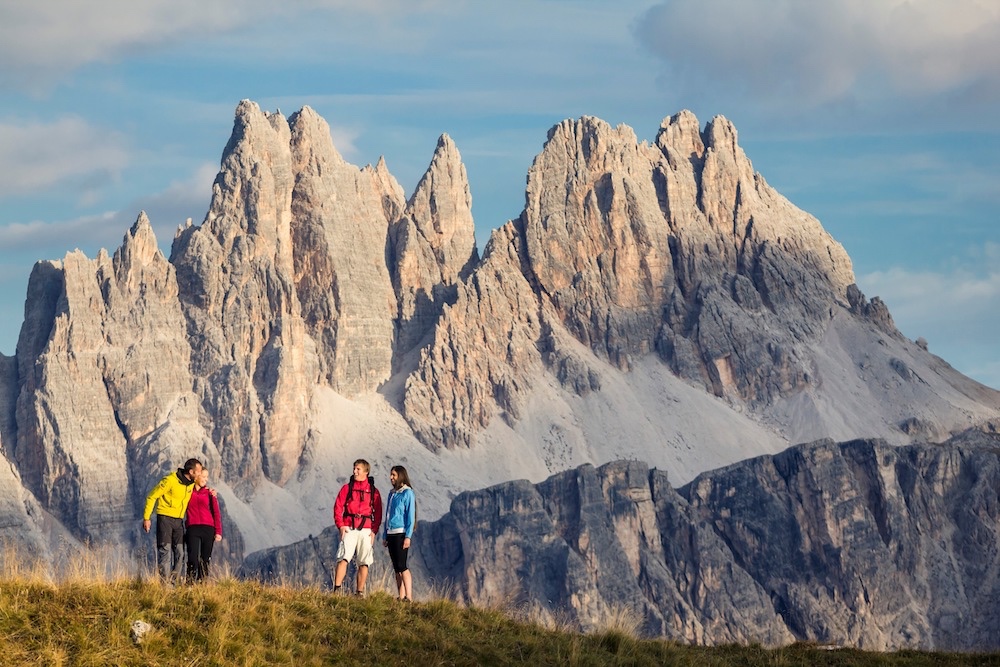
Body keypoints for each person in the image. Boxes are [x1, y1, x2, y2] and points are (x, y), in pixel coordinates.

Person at [143, 458, 202, 582]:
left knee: (180, 553)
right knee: (165, 552)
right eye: (199, 472)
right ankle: (165, 585)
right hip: (165, 518)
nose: (200, 474)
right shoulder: (169, 481)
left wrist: (211, 492)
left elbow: (201, 492)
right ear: (191, 472)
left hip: (179, 521)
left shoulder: (191, 484)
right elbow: (152, 496)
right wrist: (147, 518)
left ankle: (173, 582)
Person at [332, 459, 382, 596]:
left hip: (366, 529)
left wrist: (374, 531)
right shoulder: (347, 488)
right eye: (354, 468)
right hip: (349, 527)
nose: (354, 471)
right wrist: (341, 526)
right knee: (343, 557)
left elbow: (378, 512)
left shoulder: (373, 491)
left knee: (364, 562)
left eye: (358, 469)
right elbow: (338, 507)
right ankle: (336, 589)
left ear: (366, 472)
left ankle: (359, 593)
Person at [382, 465, 416, 602]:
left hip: (401, 533)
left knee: (402, 566)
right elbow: (387, 515)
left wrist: (408, 536)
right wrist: (385, 535)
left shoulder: (408, 493)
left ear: (400, 476)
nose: (391, 478)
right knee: (396, 567)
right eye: (391, 475)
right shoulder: (392, 493)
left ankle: (409, 596)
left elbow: (411, 516)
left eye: (394, 475)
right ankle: (401, 596)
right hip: (391, 533)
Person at [185, 467, 223, 582]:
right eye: (204, 476)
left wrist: (218, 532)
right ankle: (190, 583)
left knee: (205, 559)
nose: (206, 479)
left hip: (208, 529)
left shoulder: (210, 493)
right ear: (197, 475)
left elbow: (216, 512)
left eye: (207, 477)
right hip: (192, 528)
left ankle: (202, 583)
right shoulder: (187, 491)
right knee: (192, 557)